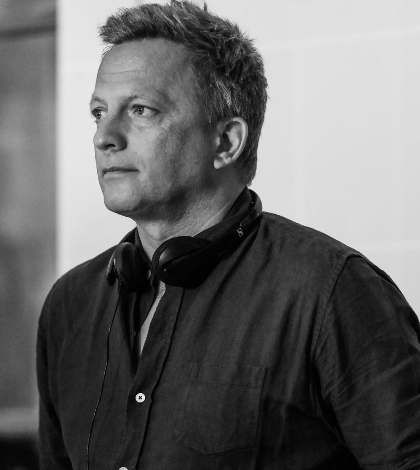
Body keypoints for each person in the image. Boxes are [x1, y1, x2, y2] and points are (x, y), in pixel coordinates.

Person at [36, 1, 420, 469]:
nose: (105, 137)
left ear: (226, 142)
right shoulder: (69, 305)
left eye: (140, 110)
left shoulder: (330, 292)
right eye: (99, 112)